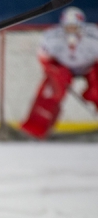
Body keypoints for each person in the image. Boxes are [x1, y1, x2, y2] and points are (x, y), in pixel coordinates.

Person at [19, 7, 98, 139]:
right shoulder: (51, 37)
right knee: (50, 92)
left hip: (90, 68)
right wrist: (53, 69)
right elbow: (44, 58)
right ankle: (35, 128)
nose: (71, 30)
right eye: (69, 27)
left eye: (75, 27)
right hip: (61, 68)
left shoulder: (94, 37)